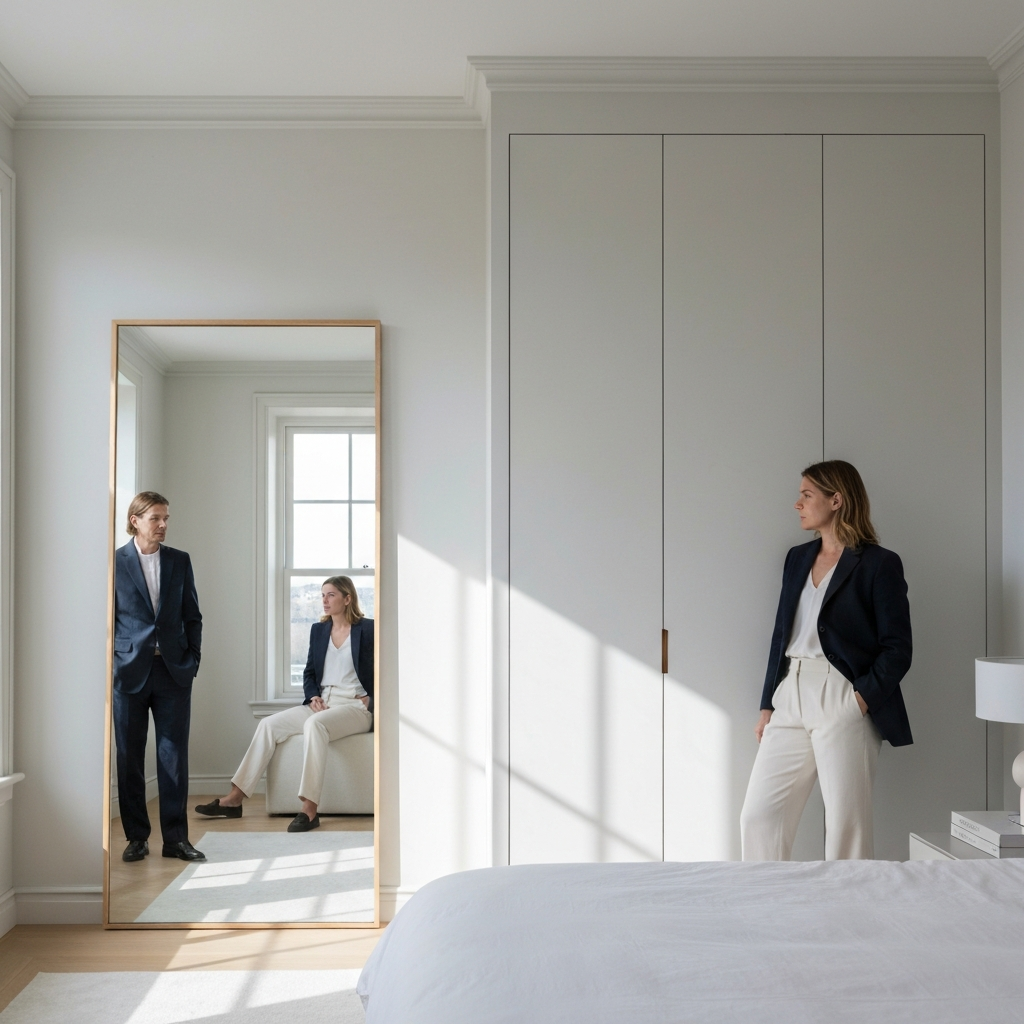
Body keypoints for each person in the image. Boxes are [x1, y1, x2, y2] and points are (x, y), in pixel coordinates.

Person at [739, 460, 912, 861]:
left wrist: (859, 701)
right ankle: (767, 908)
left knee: (845, 830)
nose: (797, 503)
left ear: (836, 500)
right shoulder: (797, 558)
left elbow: (898, 647)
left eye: (807, 494)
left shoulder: (879, 564)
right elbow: (781, 636)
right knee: (759, 818)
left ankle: (848, 918)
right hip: (791, 694)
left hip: (842, 695)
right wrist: (768, 703)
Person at [196, 575, 373, 832]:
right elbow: (310, 672)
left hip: (355, 707)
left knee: (315, 726)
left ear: (347, 599)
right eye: (322, 594)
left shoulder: (368, 629)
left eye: (331, 594)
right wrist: (313, 696)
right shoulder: (318, 630)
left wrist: (373, 698)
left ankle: (309, 809)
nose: (324, 600)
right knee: (269, 725)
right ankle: (235, 799)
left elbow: (388, 666)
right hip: (323, 703)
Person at [113, 491, 205, 863]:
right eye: (156, 518)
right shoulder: (114, 562)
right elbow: (104, 618)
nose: (163, 525)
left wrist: (192, 660)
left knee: (173, 759)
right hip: (128, 672)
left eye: (166, 518)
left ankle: (176, 840)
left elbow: (192, 615)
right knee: (129, 757)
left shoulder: (179, 561)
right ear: (136, 520)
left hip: (172, 672)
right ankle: (136, 837)